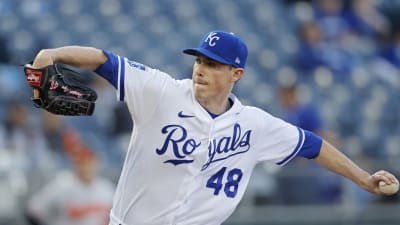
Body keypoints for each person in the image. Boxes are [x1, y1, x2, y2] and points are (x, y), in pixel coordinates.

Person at [28, 30, 398, 225]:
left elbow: (311, 145)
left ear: (236, 74)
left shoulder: (254, 125)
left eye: (213, 63)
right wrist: (53, 55)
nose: (201, 68)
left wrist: (364, 179)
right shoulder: (160, 92)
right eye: (200, 60)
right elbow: (104, 61)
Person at [26, 145, 115, 225]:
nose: (85, 166)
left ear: (95, 163)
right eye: (81, 162)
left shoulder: (107, 189)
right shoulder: (61, 184)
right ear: (75, 163)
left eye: (88, 161)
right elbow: (33, 211)